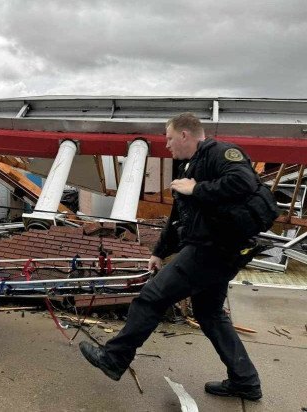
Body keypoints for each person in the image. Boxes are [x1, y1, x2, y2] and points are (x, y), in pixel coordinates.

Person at [79, 113, 263, 401]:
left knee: (151, 297)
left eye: (168, 138)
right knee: (209, 314)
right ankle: (245, 381)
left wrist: (197, 188)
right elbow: (179, 218)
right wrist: (159, 252)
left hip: (211, 250)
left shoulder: (218, 153)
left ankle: (114, 358)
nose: (166, 145)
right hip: (214, 252)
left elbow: (244, 182)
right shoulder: (187, 166)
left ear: (185, 135)